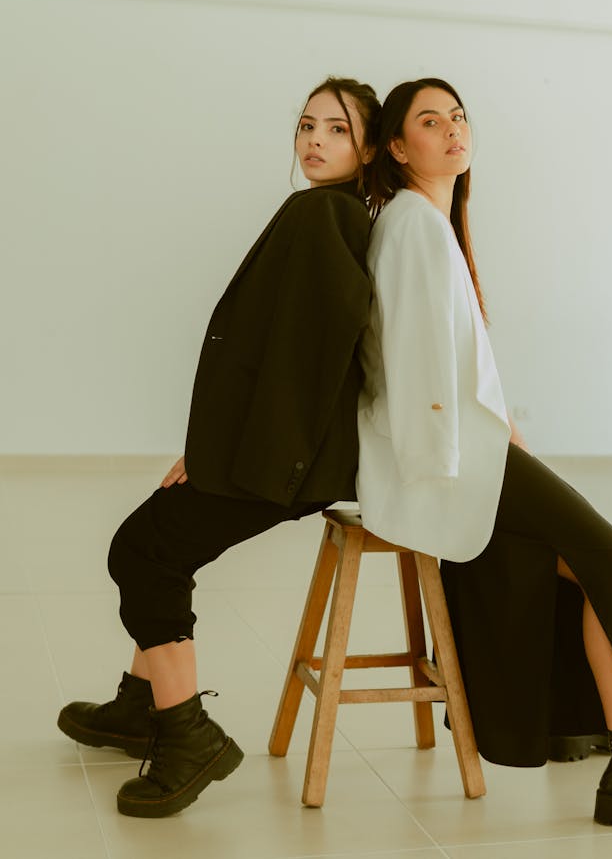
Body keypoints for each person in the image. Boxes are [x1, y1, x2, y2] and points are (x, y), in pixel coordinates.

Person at [356, 77, 612, 827]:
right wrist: (470, 467)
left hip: (468, 449)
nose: (454, 130)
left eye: (459, 117)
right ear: (397, 146)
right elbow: (417, 368)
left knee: (586, 567)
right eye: (431, 121)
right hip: (452, 459)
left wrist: (507, 436)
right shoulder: (415, 226)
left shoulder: (425, 221)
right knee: (611, 559)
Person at [57, 77, 381, 818]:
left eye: (337, 129)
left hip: (282, 458)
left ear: (368, 147)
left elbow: (305, 359)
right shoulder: (329, 212)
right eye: (306, 125)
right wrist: (211, 446)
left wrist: (230, 455)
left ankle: (185, 733)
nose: (314, 140)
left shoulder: (323, 216)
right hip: (273, 450)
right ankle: (141, 703)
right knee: (151, 545)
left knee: (145, 552)